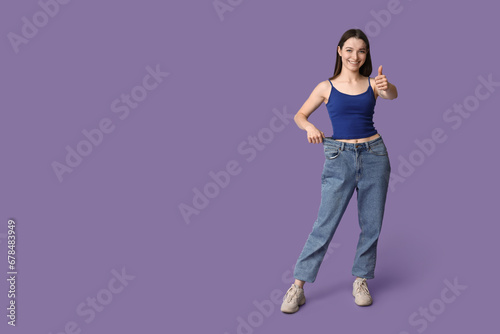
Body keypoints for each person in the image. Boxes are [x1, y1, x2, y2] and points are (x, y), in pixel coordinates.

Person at [281, 28, 398, 314]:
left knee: (371, 224)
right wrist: (308, 126)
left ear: (366, 54)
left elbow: (392, 95)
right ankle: (297, 286)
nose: (354, 56)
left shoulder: (373, 84)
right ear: (339, 51)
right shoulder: (326, 86)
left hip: (374, 155)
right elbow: (299, 115)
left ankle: (360, 279)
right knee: (324, 224)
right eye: (349, 50)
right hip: (339, 157)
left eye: (361, 50)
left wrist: (386, 86)